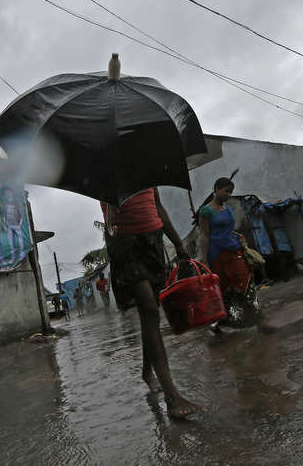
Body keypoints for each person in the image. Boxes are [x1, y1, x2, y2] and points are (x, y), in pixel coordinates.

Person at [101, 187, 199, 419]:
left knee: (151, 316)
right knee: (150, 310)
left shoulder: (146, 172)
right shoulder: (107, 177)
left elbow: (158, 208)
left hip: (153, 242)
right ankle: (172, 396)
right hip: (127, 245)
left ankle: (147, 371)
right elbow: (109, 222)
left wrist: (177, 242)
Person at [197, 178, 276, 334]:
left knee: (246, 283)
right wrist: (205, 261)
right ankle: (218, 322)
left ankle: (260, 321)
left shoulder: (226, 209)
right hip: (217, 254)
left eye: (231, 191)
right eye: (226, 191)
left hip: (234, 251)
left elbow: (227, 229)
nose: (229, 194)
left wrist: (238, 236)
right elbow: (205, 236)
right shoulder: (206, 211)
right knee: (223, 289)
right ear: (217, 189)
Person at [2, 186, 25, 264]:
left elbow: (22, 215)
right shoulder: (5, 203)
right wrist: (4, 225)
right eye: (6, 193)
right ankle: (13, 258)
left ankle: (21, 257)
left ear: (11, 193)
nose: (8, 194)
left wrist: (20, 225)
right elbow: (4, 215)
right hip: (9, 226)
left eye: (9, 192)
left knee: (20, 242)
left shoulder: (17, 202)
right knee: (11, 243)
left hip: (16, 225)